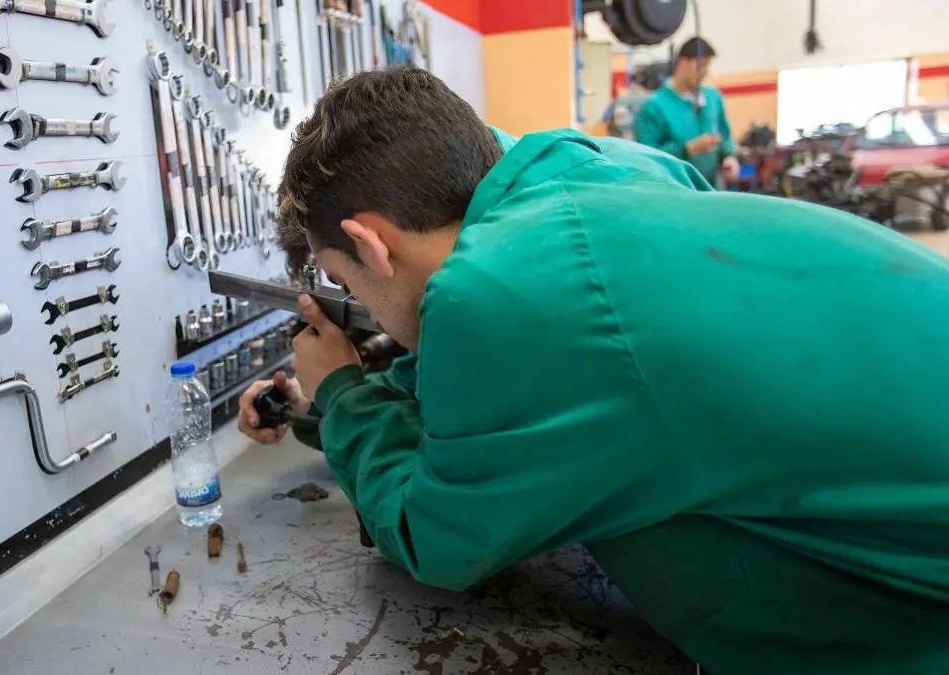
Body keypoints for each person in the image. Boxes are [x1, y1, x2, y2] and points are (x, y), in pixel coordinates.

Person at [237, 67, 949, 673]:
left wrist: (342, 390)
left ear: (370, 242)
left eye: (344, 279)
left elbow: (439, 534)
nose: (354, 301)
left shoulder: (495, 290)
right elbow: (559, 389)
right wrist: (316, 401)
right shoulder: (602, 167)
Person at [635, 37, 739, 187]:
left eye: (707, 66)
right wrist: (686, 149)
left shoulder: (713, 98)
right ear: (683, 62)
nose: (705, 72)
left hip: (712, 190)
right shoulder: (654, 107)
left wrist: (729, 157)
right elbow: (647, 156)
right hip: (675, 190)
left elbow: (724, 134)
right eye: (701, 66)